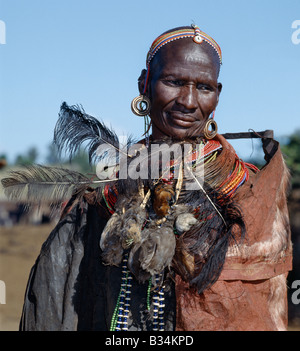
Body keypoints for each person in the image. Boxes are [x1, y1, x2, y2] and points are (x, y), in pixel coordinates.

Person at [16, 25, 292, 331]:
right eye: (174, 82)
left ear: (218, 94)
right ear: (145, 83)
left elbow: (264, 308)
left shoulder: (247, 189)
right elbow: (59, 299)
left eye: (204, 87)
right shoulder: (105, 192)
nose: (188, 101)